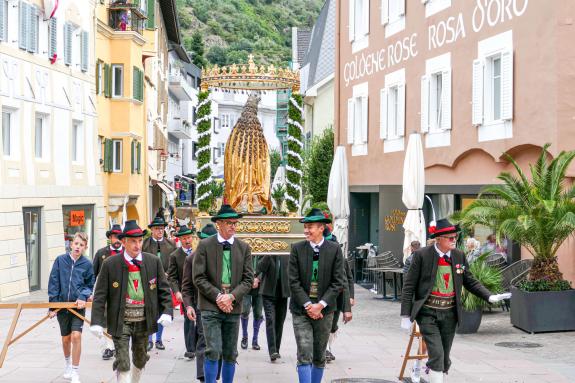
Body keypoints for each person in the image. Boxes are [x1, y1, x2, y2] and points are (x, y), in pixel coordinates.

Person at [400, 219, 511, 383]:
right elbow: (409, 286)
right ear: (439, 239)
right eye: (450, 237)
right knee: (436, 355)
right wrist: (405, 315)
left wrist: (489, 296)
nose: (454, 240)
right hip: (427, 313)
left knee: (444, 358)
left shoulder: (459, 255)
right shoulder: (421, 255)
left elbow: (470, 281)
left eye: (455, 237)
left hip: (450, 314)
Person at [90, 220, 173, 383]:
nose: (137, 245)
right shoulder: (109, 264)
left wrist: (167, 311)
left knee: (140, 359)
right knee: (123, 361)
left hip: (144, 319)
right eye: (133, 241)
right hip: (120, 320)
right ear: (123, 242)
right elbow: (100, 295)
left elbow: (164, 290)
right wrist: (97, 322)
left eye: (140, 240)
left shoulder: (152, 262)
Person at [192, 205, 254, 383]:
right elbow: (198, 277)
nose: (233, 226)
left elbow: (248, 279)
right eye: (229, 223)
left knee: (230, 352)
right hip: (211, 306)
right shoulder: (205, 245)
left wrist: (231, 296)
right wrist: (219, 296)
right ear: (218, 223)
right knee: (213, 350)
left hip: (233, 307)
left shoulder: (244, 248)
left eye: (235, 223)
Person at [289, 208, 346, 383]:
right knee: (304, 352)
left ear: (321, 228)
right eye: (305, 227)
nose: (306, 230)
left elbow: (338, 282)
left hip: (325, 311)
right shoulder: (297, 249)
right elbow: (293, 281)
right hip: (301, 310)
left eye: (310, 226)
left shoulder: (335, 249)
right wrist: (308, 305)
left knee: (319, 355)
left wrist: (320, 305)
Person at [48, 232, 94, 383]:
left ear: (85, 247)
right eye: (76, 244)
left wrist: (83, 296)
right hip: (62, 306)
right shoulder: (60, 260)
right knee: (66, 339)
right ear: (71, 244)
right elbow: (54, 282)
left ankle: (75, 371)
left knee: (76, 336)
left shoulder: (87, 264)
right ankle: (67, 364)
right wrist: (53, 305)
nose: (78, 247)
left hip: (77, 306)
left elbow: (89, 284)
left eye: (81, 245)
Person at [182, 224, 222, 382]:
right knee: (203, 340)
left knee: (219, 342)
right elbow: (186, 286)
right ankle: (202, 376)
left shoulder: (222, 256)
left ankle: (215, 374)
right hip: (201, 305)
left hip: (222, 305)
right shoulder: (191, 258)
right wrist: (189, 305)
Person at [142, 216, 176, 350]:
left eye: (162, 228)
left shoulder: (171, 244)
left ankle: (159, 339)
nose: (160, 231)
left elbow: (174, 264)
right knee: (149, 311)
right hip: (148, 281)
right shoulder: (144, 244)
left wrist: (168, 274)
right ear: (152, 230)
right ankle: (149, 339)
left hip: (165, 282)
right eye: (157, 229)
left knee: (163, 310)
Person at [92, 224, 124, 360]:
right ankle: (107, 348)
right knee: (104, 321)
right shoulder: (101, 253)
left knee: (119, 320)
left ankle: (117, 346)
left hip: (122, 291)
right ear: (110, 237)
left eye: (119, 237)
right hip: (105, 291)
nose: (117, 240)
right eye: (114, 237)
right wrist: (90, 292)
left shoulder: (126, 252)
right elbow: (93, 274)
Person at [323, 226, 354, 363]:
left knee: (332, 325)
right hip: (322, 298)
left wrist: (349, 301)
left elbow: (347, 280)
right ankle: (324, 350)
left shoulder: (342, 259)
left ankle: (327, 347)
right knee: (324, 325)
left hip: (336, 298)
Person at [167, 225, 197, 360]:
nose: (187, 240)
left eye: (189, 237)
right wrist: (177, 291)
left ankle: (200, 345)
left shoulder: (199, 252)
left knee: (202, 319)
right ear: (179, 240)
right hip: (185, 292)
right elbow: (172, 277)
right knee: (189, 319)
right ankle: (190, 349)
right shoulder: (175, 256)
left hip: (201, 291)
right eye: (184, 238)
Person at [256, 249, 290, 362]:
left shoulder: (287, 252)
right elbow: (259, 268)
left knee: (280, 322)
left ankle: (277, 349)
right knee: (270, 320)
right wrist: (269, 254)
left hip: (283, 292)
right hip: (268, 292)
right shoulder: (267, 251)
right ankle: (272, 351)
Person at [240, 253, 264, 351]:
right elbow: (241, 265)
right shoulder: (245, 248)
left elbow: (266, 266)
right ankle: (244, 337)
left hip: (260, 286)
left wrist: (258, 278)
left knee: (258, 313)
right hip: (246, 284)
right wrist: (250, 279)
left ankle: (255, 340)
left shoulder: (264, 248)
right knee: (244, 310)